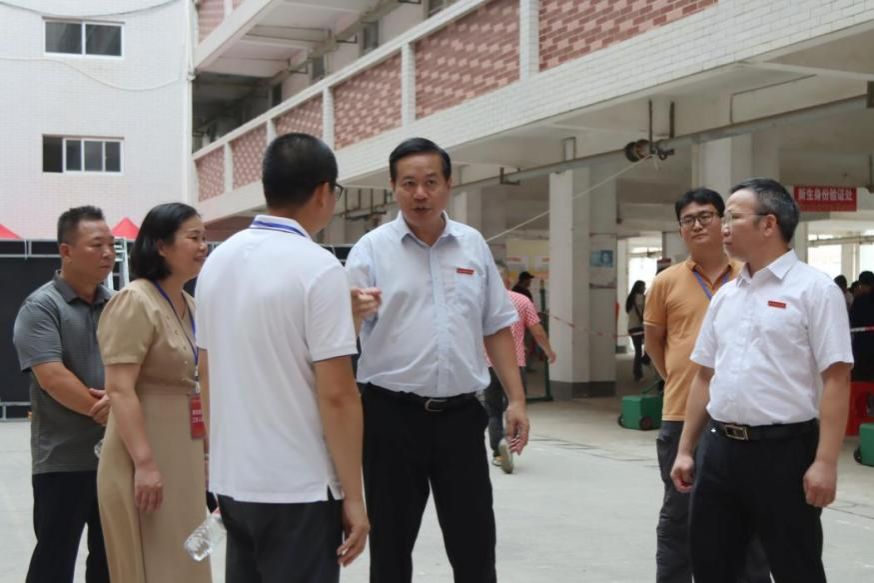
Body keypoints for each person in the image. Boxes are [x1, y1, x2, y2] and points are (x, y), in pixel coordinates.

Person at [346, 137, 530, 583]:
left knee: (475, 547)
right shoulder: (370, 250)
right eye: (408, 183)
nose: (420, 193)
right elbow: (340, 338)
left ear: (449, 184)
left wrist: (517, 400)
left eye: (430, 182)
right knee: (390, 550)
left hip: (461, 419)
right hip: (390, 418)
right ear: (393, 187)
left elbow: (496, 325)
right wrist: (350, 314)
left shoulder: (472, 245)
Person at [195, 133, 368, 583]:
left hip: (235, 482)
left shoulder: (217, 263)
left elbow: (207, 371)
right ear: (324, 192)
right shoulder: (319, 267)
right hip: (299, 487)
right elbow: (337, 395)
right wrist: (354, 496)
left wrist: (217, 460)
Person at [671, 178, 853, 583]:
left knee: (795, 567)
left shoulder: (815, 290)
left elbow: (837, 380)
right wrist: (686, 449)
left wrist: (825, 462)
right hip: (719, 450)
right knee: (712, 565)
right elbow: (704, 375)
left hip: (784, 453)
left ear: (769, 224)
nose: (722, 228)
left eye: (732, 218)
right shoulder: (727, 296)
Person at [644, 188, 768, 583]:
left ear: (723, 222)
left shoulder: (752, 276)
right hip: (682, 414)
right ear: (680, 229)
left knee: (750, 518)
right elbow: (654, 342)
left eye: (706, 216)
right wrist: (678, 380)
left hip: (742, 417)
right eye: (688, 220)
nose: (697, 225)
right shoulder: (665, 282)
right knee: (680, 515)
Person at [95, 203, 210, 583]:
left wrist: (206, 454)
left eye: (204, 238)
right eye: (193, 237)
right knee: (153, 562)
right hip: (143, 453)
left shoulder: (191, 305)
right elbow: (120, 389)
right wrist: (144, 464)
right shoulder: (135, 300)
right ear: (161, 245)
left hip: (183, 452)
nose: (203, 246)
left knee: (185, 558)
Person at [12, 206, 113, 583]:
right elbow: (52, 377)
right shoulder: (41, 306)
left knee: (110, 559)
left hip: (115, 458)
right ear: (66, 251)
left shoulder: (117, 304)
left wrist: (121, 403)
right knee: (54, 561)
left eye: (111, 244)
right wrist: (110, 409)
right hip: (63, 459)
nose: (107, 253)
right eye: (96, 245)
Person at [486, 260, 556, 474]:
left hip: (487, 364)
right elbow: (537, 331)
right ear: (507, 280)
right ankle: (510, 445)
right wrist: (548, 351)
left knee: (493, 410)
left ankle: (498, 453)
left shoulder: (482, 301)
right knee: (515, 406)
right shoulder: (522, 300)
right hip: (515, 364)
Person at [849, 270, 874, 380]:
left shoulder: (859, 301)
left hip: (863, 347)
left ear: (862, 285)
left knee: (862, 380)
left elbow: (853, 321)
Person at [625, 280, 647, 382]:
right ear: (639, 288)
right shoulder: (640, 297)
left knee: (638, 351)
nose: (645, 288)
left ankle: (638, 373)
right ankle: (642, 364)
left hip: (631, 327)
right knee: (648, 348)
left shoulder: (630, 298)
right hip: (638, 327)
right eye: (643, 286)